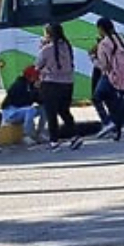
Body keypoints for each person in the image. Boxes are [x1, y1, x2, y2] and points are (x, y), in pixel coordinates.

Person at [36, 23, 83, 151]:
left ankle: (54, 141)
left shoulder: (46, 49)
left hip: (51, 83)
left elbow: (38, 65)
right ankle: (74, 136)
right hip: (67, 83)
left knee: (51, 113)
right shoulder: (67, 46)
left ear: (48, 34)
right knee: (64, 110)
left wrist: (41, 46)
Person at [90, 18, 124, 139]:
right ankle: (117, 125)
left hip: (109, 75)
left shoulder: (104, 44)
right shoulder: (119, 38)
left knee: (96, 98)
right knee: (111, 100)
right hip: (121, 74)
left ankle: (107, 122)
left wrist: (93, 58)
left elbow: (104, 65)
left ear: (101, 28)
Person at [2, 66, 45, 147]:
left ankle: (40, 134)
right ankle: (26, 135)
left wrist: (39, 91)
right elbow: (20, 102)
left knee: (44, 108)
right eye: (35, 77)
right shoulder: (18, 85)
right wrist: (34, 91)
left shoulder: (32, 85)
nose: (37, 79)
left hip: (23, 111)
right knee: (30, 109)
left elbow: (40, 101)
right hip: (11, 112)